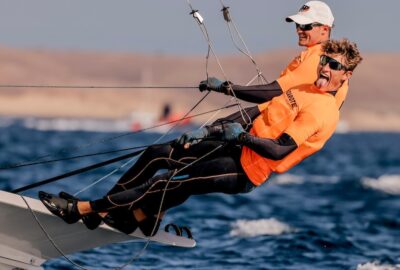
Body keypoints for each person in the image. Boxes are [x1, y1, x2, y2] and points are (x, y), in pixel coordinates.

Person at [39, 38, 362, 237]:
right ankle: (133, 215)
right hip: (233, 146)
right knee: (160, 154)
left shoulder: (323, 110)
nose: (325, 69)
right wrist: (209, 130)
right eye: (324, 61)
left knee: (168, 183)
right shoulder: (302, 88)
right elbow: (258, 113)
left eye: (333, 66)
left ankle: (85, 210)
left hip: (247, 170)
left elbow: (278, 151)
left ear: (345, 75)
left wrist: (241, 139)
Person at [204, 1, 349, 110]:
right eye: (297, 25)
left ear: (324, 29)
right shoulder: (320, 54)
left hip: (279, 138)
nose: (299, 30)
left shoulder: (319, 58)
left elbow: (272, 93)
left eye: (305, 26)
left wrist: (226, 88)